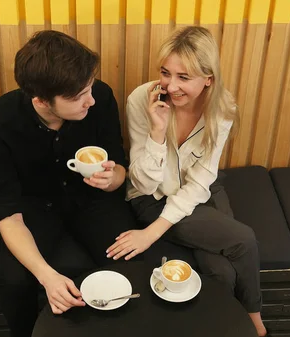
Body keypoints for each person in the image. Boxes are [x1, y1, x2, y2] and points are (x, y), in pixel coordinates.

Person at [106, 26, 267, 336]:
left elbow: (202, 179)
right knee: (243, 240)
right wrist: (156, 131)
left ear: (208, 79)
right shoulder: (142, 99)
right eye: (166, 73)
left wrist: (150, 235)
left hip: (200, 191)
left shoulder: (223, 109)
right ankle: (255, 322)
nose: (171, 85)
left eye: (184, 77)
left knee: (221, 271)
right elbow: (142, 182)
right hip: (151, 198)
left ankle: (240, 323)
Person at [0, 30, 137, 337]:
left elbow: (120, 168)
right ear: (40, 99)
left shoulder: (99, 98)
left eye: (89, 88)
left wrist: (111, 179)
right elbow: (7, 214)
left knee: (133, 263)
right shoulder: (0, 123)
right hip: (34, 207)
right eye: (78, 97)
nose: (90, 100)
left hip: (93, 199)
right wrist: (47, 276)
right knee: (15, 282)